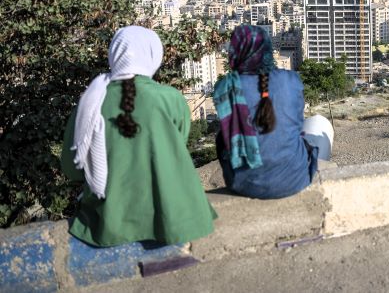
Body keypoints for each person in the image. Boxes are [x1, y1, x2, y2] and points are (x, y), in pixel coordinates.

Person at [60, 26, 216, 247]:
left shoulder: (89, 105)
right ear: (154, 55)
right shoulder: (171, 99)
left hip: (109, 222)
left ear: (114, 55)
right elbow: (175, 148)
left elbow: (71, 168)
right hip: (172, 217)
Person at [214, 24, 333, 199]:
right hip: (295, 179)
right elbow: (297, 125)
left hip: (243, 183)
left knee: (221, 137)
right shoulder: (291, 80)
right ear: (268, 50)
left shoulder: (225, 87)